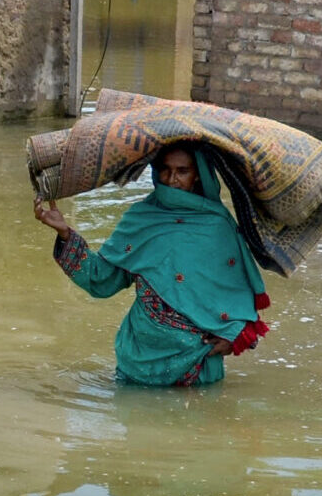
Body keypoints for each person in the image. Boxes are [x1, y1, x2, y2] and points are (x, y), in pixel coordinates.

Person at [33, 143, 271, 386]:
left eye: (182, 171)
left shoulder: (218, 225)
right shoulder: (140, 218)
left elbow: (236, 289)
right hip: (140, 361)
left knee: (202, 423)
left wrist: (233, 337)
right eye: (165, 169)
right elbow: (101, 279)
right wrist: (64, 233)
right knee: (136, 420)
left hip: (198, 364)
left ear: (198, 174)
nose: (172, 179)